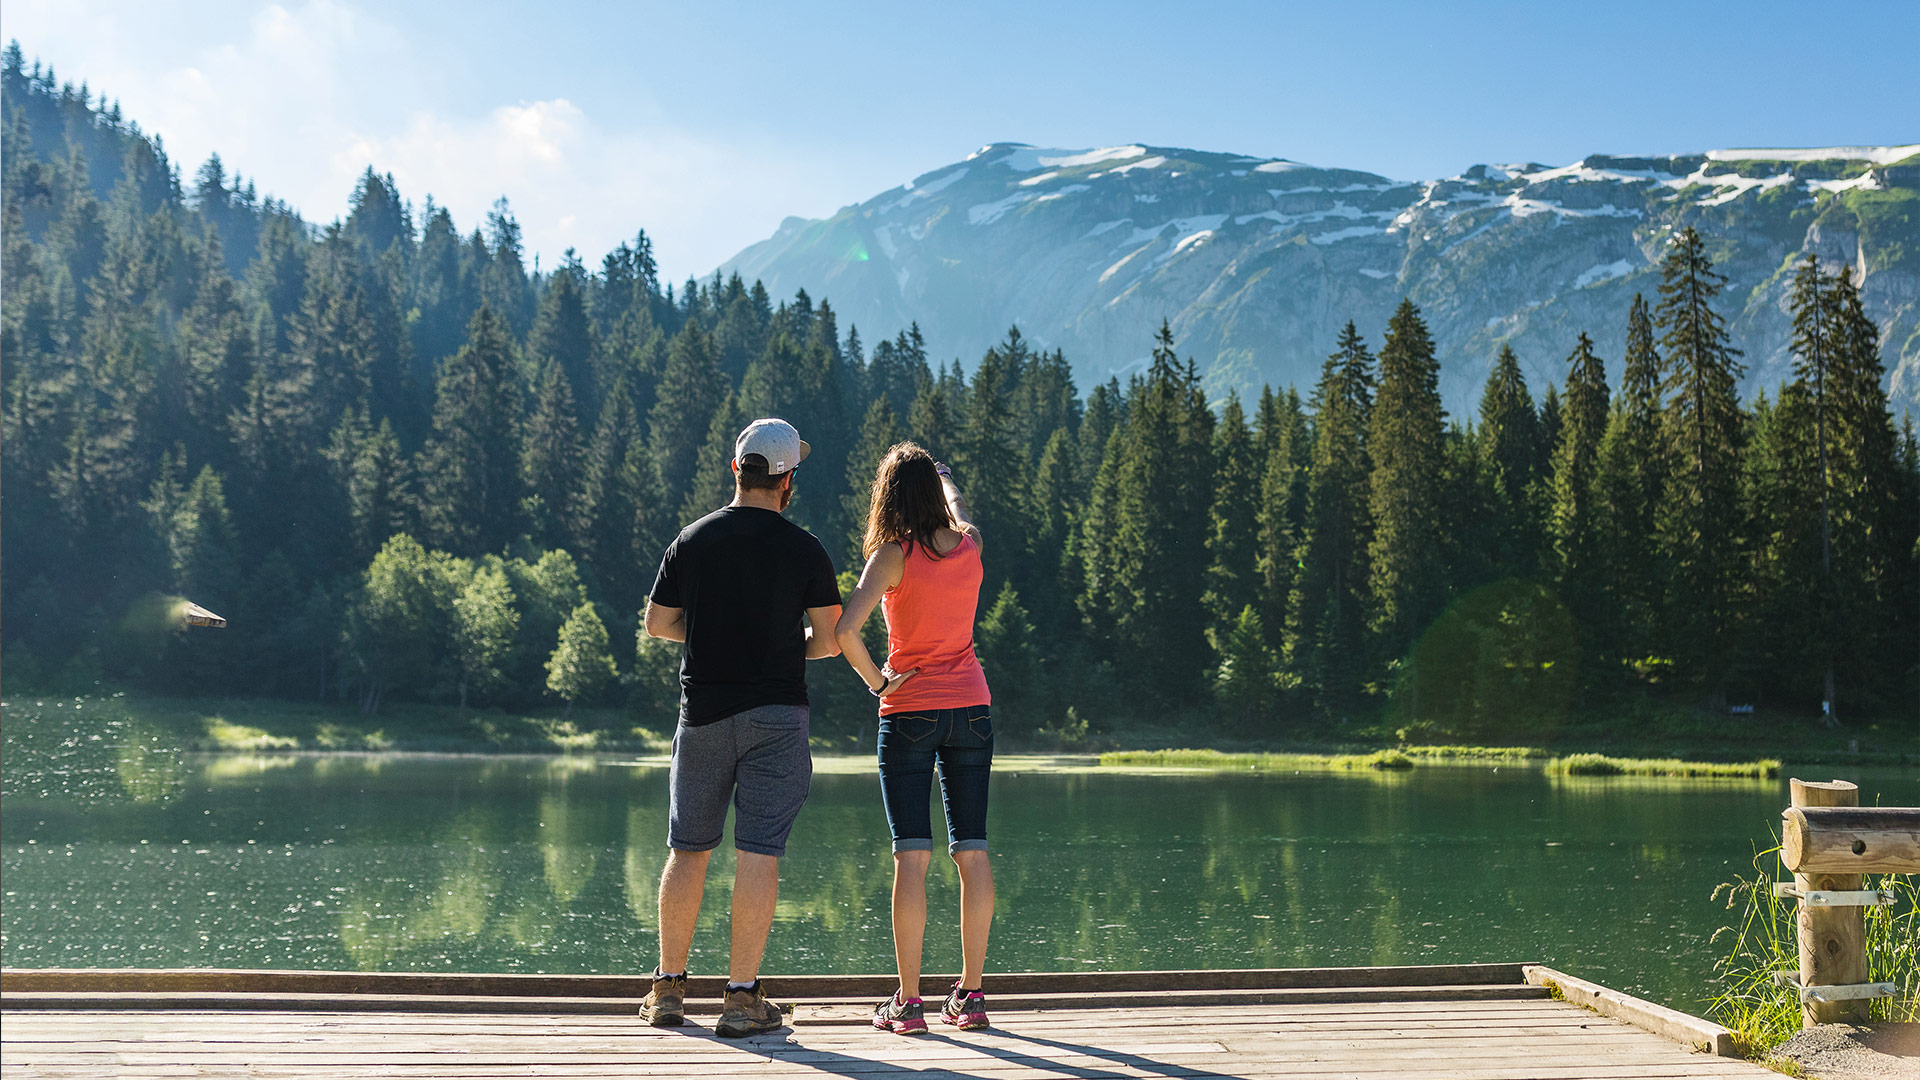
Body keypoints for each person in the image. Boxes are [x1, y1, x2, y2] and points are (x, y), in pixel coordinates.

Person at [637, 418, 842, 1038]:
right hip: (776, 718)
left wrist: (706, 636)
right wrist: (784, 646)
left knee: (688, 848)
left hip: (701, 715)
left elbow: (656, 623)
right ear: (788, 481)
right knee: (759, 851)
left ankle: (669, 990)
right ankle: (741, 998)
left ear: (736, 470)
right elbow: (830, 640)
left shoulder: (692, 540)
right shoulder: (804, 548)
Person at [835, 443, 994, 1035]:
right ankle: (971, 998)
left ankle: (909, 1004)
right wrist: (946, 478)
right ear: (937, 495)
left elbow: (847, 629)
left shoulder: (892, 557)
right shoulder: (970, 546)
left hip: (908, 712)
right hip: (971, 708)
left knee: (912, 855)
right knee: (971, 851)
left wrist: (879, 682)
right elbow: (955, 509)